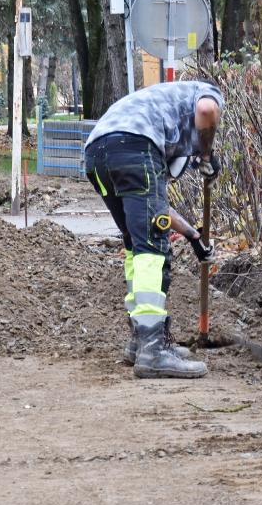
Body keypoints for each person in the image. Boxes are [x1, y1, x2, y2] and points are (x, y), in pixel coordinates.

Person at [83, 78, 223, 379]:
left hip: (98, 154)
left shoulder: (159, 108)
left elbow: (153, 206)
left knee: (137, 245)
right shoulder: (207, 92)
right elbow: (208, 109)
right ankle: (153, 351)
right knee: (152, 249)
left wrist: (193, 235)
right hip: (133, 150)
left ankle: (140, 340)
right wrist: (207, 154)